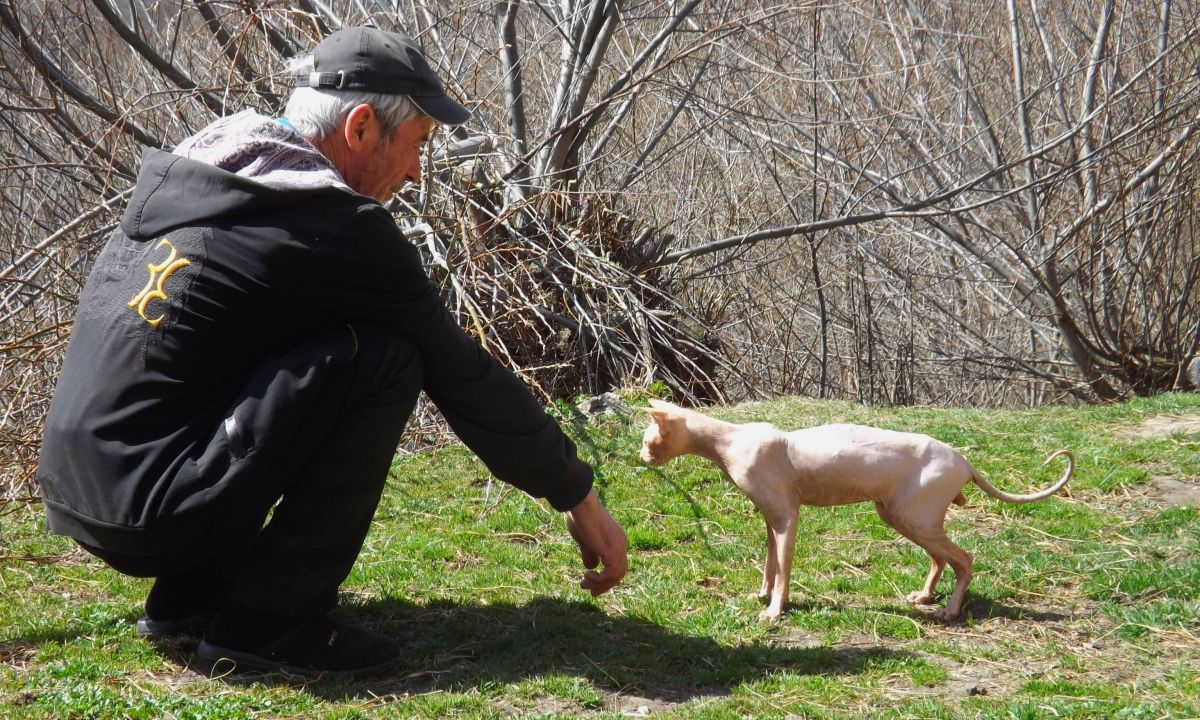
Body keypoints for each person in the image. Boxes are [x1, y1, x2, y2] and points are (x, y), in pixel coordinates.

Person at [36, 25, 627, 676]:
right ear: (362, 128)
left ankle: (195, 594)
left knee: (286, 345)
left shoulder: (202, 176)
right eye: (416, 145)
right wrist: (577, 494)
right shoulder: (331, 226)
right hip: (154, 509)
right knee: (385, 360)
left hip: (82, 489)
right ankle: (269, 626)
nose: (414, 171)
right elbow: (459, 372)